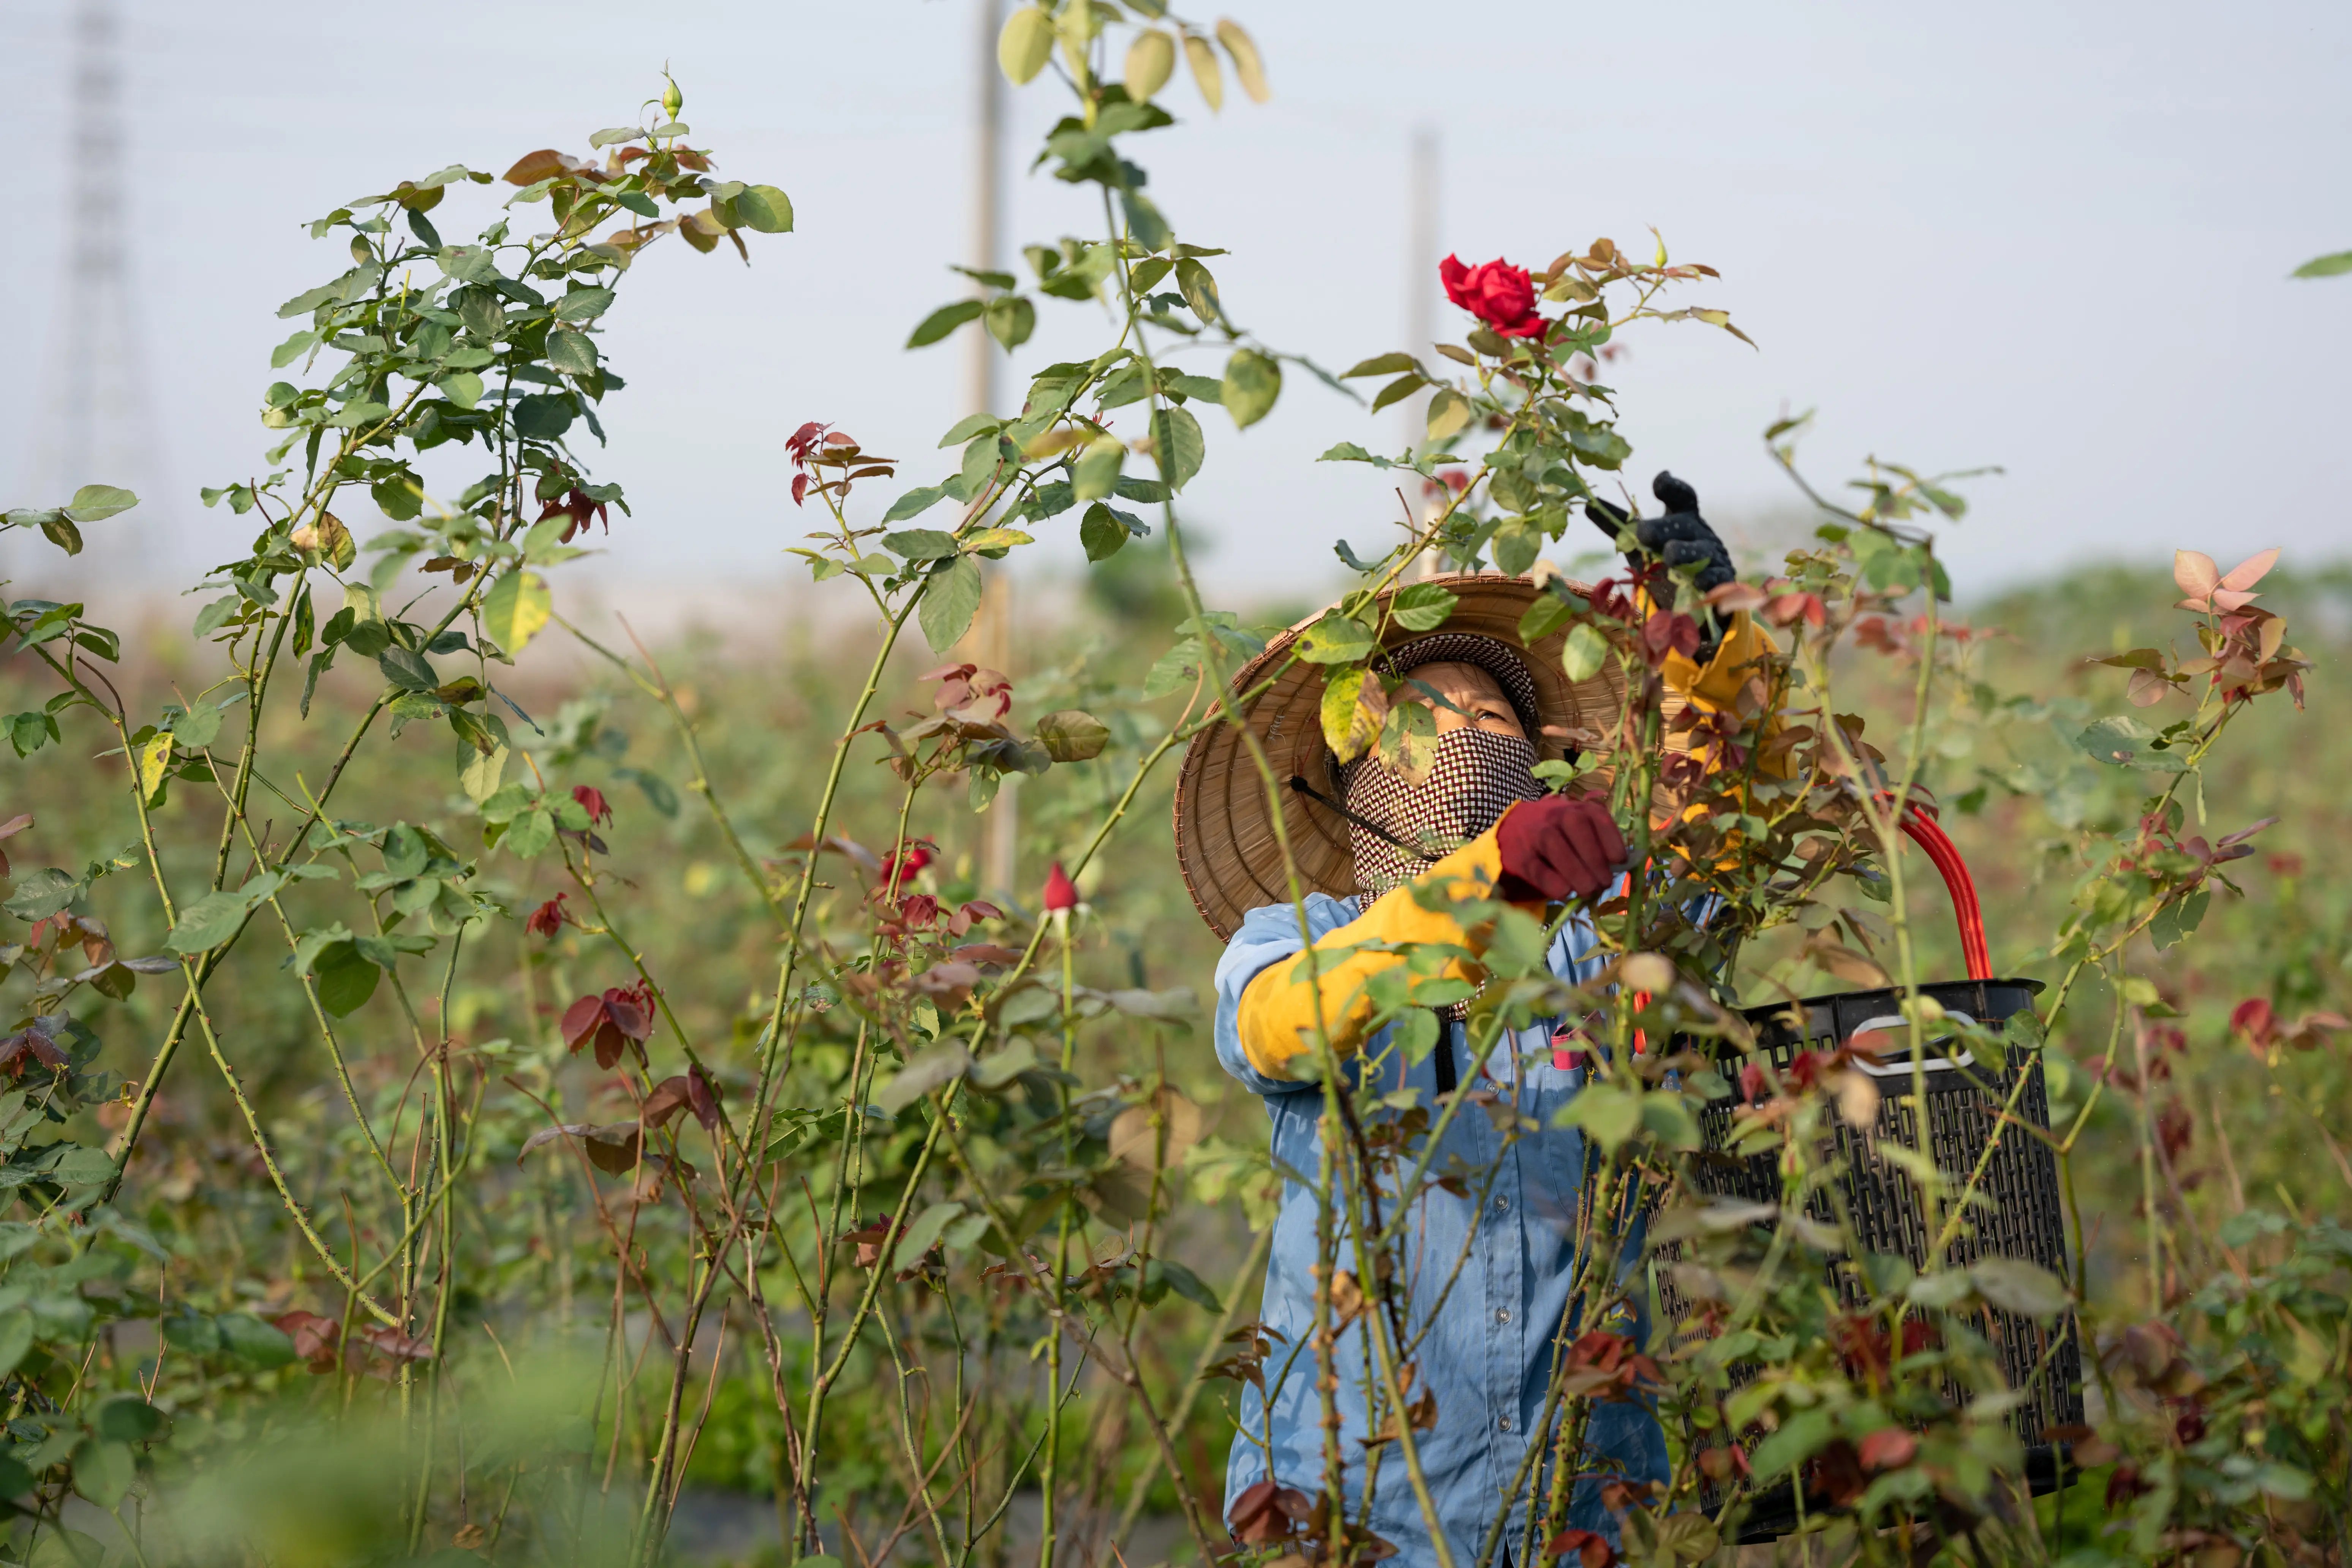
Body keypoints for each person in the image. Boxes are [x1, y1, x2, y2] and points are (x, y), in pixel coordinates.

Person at [1169, 475, 1752, 1567]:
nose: (1473, 732)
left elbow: (1720, 857)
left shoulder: (1598, 943)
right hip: (1354, 1495)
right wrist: (1492, 884)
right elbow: (1279, 1028)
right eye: (1434, 714)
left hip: (1579, 1481)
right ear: (1357, 766)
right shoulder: (1298, 933)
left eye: (1497, 720)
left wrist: (1709, 658)